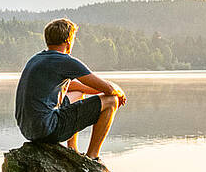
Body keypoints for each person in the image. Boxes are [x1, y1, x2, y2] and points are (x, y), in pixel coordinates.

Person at [14, 18, 126, 160]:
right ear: (69, 41)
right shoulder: (65, 61)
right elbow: (109, 90)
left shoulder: (36, 59)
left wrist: (96, 91)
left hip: (29, 130)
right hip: (47, 129)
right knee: (112, 101)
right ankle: (93, 157)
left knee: (78, 93)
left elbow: (75, 87)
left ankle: (72, 149)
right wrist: (119, 91)